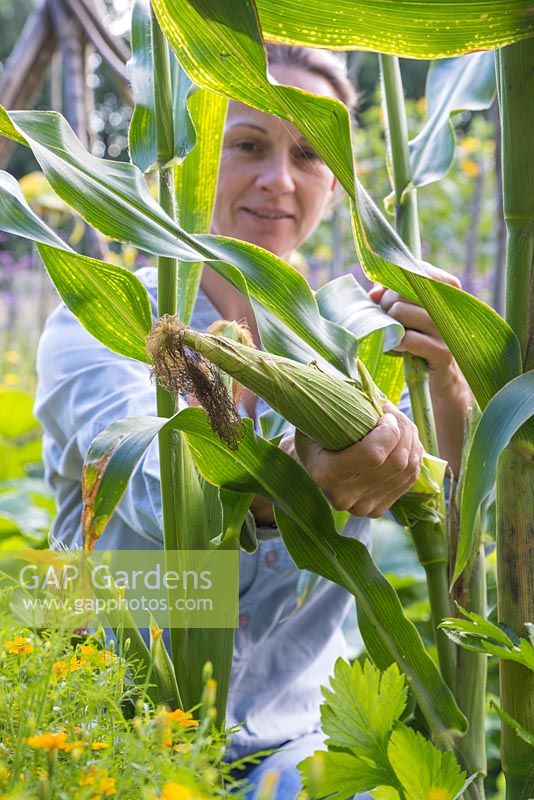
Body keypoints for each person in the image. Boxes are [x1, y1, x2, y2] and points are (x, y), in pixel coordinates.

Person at [34, 45, 471, 799]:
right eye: (248, 145)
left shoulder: (351, 343)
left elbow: (447, 518)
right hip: (111, 727)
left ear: (335, 181)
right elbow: (148, 496)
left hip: (290, 744)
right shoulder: (107, 317)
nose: (279, 180)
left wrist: (452, 381)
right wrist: (297, 492)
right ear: (194, 154)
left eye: (309, 153)